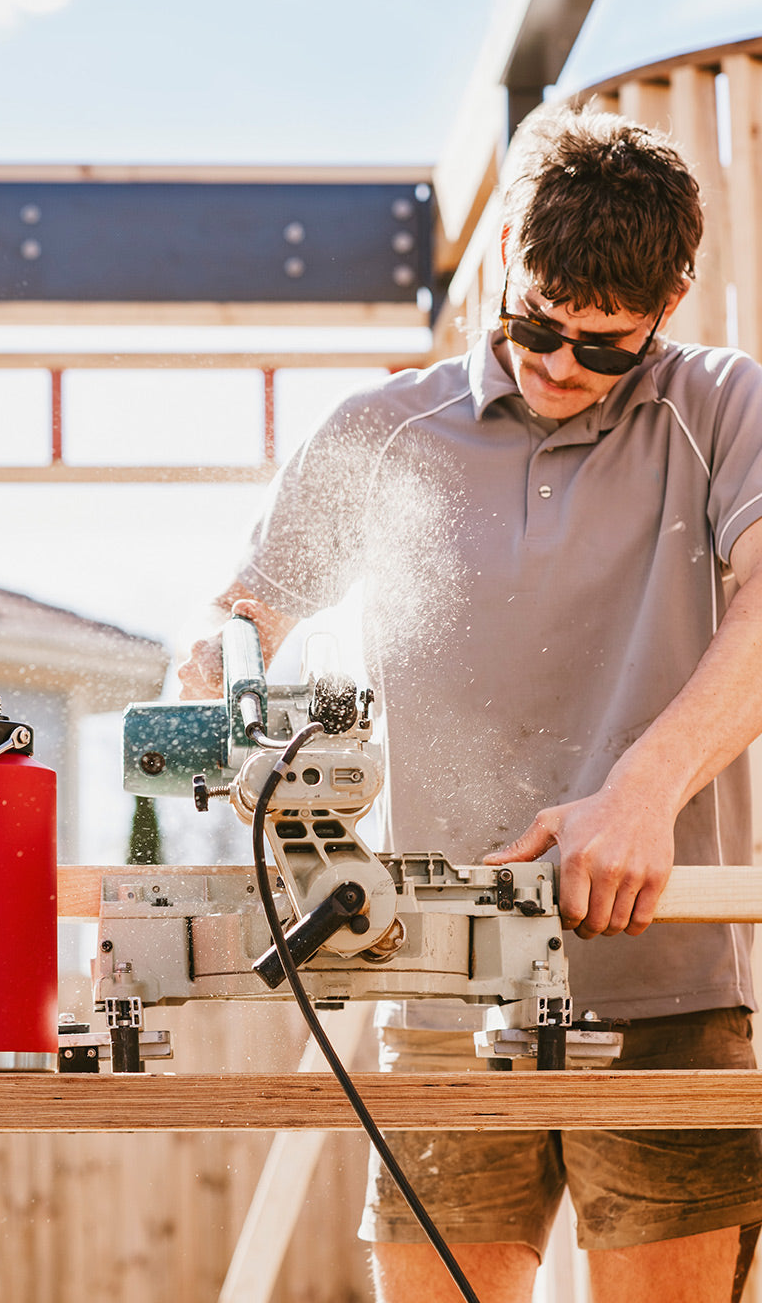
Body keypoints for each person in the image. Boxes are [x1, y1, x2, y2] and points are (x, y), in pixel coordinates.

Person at [178, 101, 762, 1303]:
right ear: (504, 264)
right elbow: (250, 618)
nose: (559, 366)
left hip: (665, 986)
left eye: (606, 346)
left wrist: (640, 794)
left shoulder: (722, 409)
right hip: (439, 983)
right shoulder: (381, 433)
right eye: (538, 324)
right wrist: (223, 668)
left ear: (672, 305)